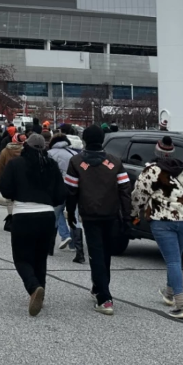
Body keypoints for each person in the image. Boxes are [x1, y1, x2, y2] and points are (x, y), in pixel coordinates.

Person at [131, 136, 183, 320]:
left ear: (156, 151)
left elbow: (138, 196)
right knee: (176, 259)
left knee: (172, 261)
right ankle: (169, 293)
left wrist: (133, 214)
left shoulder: (151, 172)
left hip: (162, 221)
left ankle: (181, 305)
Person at [65, 125, 133, 315]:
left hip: (89, 214)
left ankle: (105, 298)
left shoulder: (76, 162)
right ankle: (99, 288)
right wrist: (127, 217)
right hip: (112, 214)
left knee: (96, 255)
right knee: (106, 254)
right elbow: (125, 191)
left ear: (85, 140)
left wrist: (71, 213)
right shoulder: (115, 162)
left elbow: (71, 191)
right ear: (102, 140)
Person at [0, 134, 66, 317]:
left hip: (23, 214)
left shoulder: (16, 164)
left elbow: (5, 188)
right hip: (47, 215)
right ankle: (39, 291)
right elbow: (61, 194)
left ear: (26, 146)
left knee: (21, 258)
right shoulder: (51, 165)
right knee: (40, 257)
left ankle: (34, 287)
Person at [48, 131, 81, 252]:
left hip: (58, 188)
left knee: (56, 213)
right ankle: (77, 245)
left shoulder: (50, 154)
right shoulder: (74, 154)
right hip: (74, 187)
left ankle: (62, 237)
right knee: (74, 214)